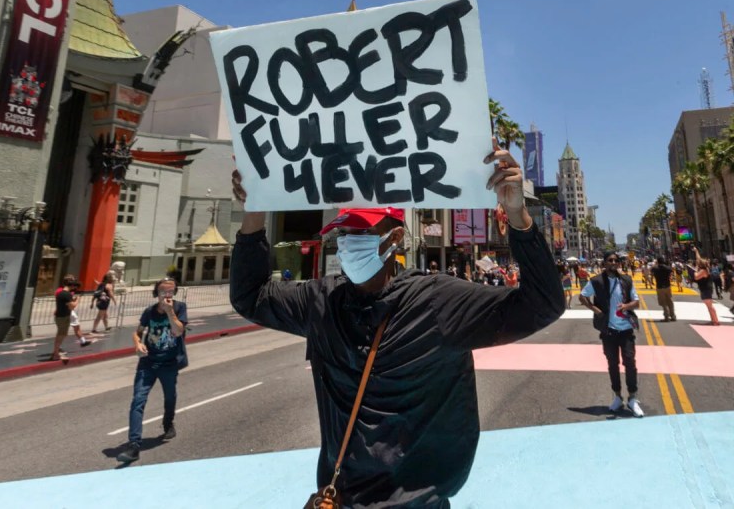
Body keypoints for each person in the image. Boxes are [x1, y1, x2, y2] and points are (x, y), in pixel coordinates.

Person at [229, 145, 565, 507]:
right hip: (342, 499)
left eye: (361, 232)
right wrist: (253, 213)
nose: (348, 243)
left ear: (396, 238)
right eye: (343, 234)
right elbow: (250, 296)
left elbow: (542, 305)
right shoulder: (322, 301)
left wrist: (518, 216)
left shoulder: (437, 301)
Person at [117, 277, 188, 463]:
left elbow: (178, 331)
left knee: (170, 396)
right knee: (138, 400)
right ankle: (134, 444)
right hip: (148, 363)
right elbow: (137, 332)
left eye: (170, 291)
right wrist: (137, 343)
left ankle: (168, 422)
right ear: (157, 293)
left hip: (169, 363)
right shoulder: (149, 312)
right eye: (163, 291)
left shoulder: (179, 308)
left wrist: (170, 311)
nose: (167, 295)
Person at [578, 251, 644, 418]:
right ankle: (617, 396)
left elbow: (637, 302)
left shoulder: (626, 280)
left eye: (616, 260)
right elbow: (582, 296)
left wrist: (627, 306)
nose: (614, 263)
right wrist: (596, 310)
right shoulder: (597, 281)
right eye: (610, 260)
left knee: (630, 362)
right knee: (612, 364)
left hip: (626, 330)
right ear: (604, 263)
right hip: (608, 331)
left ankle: (633, 398)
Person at [50, 274, 91, 361]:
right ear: (71, 285)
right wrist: (77, 300)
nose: (74, 288)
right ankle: (55, 354)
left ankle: (56, 352)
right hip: (63, 317)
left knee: (61, 334)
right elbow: (72, 306)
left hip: (61, 316)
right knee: (61, 335)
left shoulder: (61, 293)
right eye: (74, 286)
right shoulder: (66, 294)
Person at [692, 248, 720, 326]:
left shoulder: (703, 270)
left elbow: (696, 277)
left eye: (698, 263)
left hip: (706, 289)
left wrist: (695, 270)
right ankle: (713, 320)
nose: (697, 264)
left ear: (700, 264)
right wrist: (696, 251)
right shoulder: (705, 268)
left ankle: (716, 321)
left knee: (710, 306)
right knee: (708, 306)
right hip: (705, 289)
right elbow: (698, 259)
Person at [651, 256, 677, 322]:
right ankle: (673, 316)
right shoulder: (667, 268)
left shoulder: (655, 268)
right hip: (667, 286)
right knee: (670, 301)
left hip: (660, 286)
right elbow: (671, 271)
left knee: (663, 302)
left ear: (657, 261)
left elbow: (651, 270)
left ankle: (666, 316)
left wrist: (655, 263)